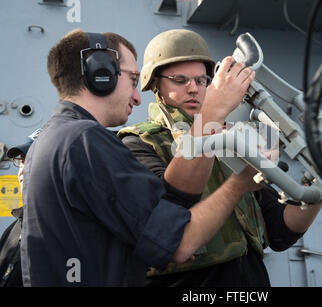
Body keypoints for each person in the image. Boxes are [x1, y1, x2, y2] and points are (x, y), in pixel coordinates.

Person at [21, 29, 257, 286]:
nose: (136, 97)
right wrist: (240, 183)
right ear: (101, 74)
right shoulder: (85, 141)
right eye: (132, 80)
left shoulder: (52, 139)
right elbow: (180, 243)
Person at [119, 29, 322, 286]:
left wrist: (320, 180)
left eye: (201, 80)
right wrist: (214, 119)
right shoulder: (138, 144)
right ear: (156, 85)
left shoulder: (232, 140)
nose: (193, 89)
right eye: (179, 79)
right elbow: (166, 229)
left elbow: (279, 231)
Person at [0, 129, 40, 287]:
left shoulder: (68, 229)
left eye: (30, 161)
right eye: (21, 161)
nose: (21, 171)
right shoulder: (15, 227)